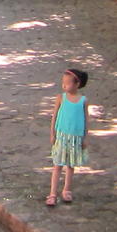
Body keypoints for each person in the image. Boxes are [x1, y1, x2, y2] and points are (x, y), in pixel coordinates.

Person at [47, 66, 88, 205]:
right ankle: (52, 192)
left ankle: (66, 189)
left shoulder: (83, 101)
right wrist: (52, 132)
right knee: (57, 164)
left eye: (68, 82)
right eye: (63, 82)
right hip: (61, 135)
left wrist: (85, 137)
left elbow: (86, 119)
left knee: (70, 165)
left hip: (75, 137)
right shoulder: (61, 98)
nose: (64, 85)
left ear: (77, 84)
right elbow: (54, 116)